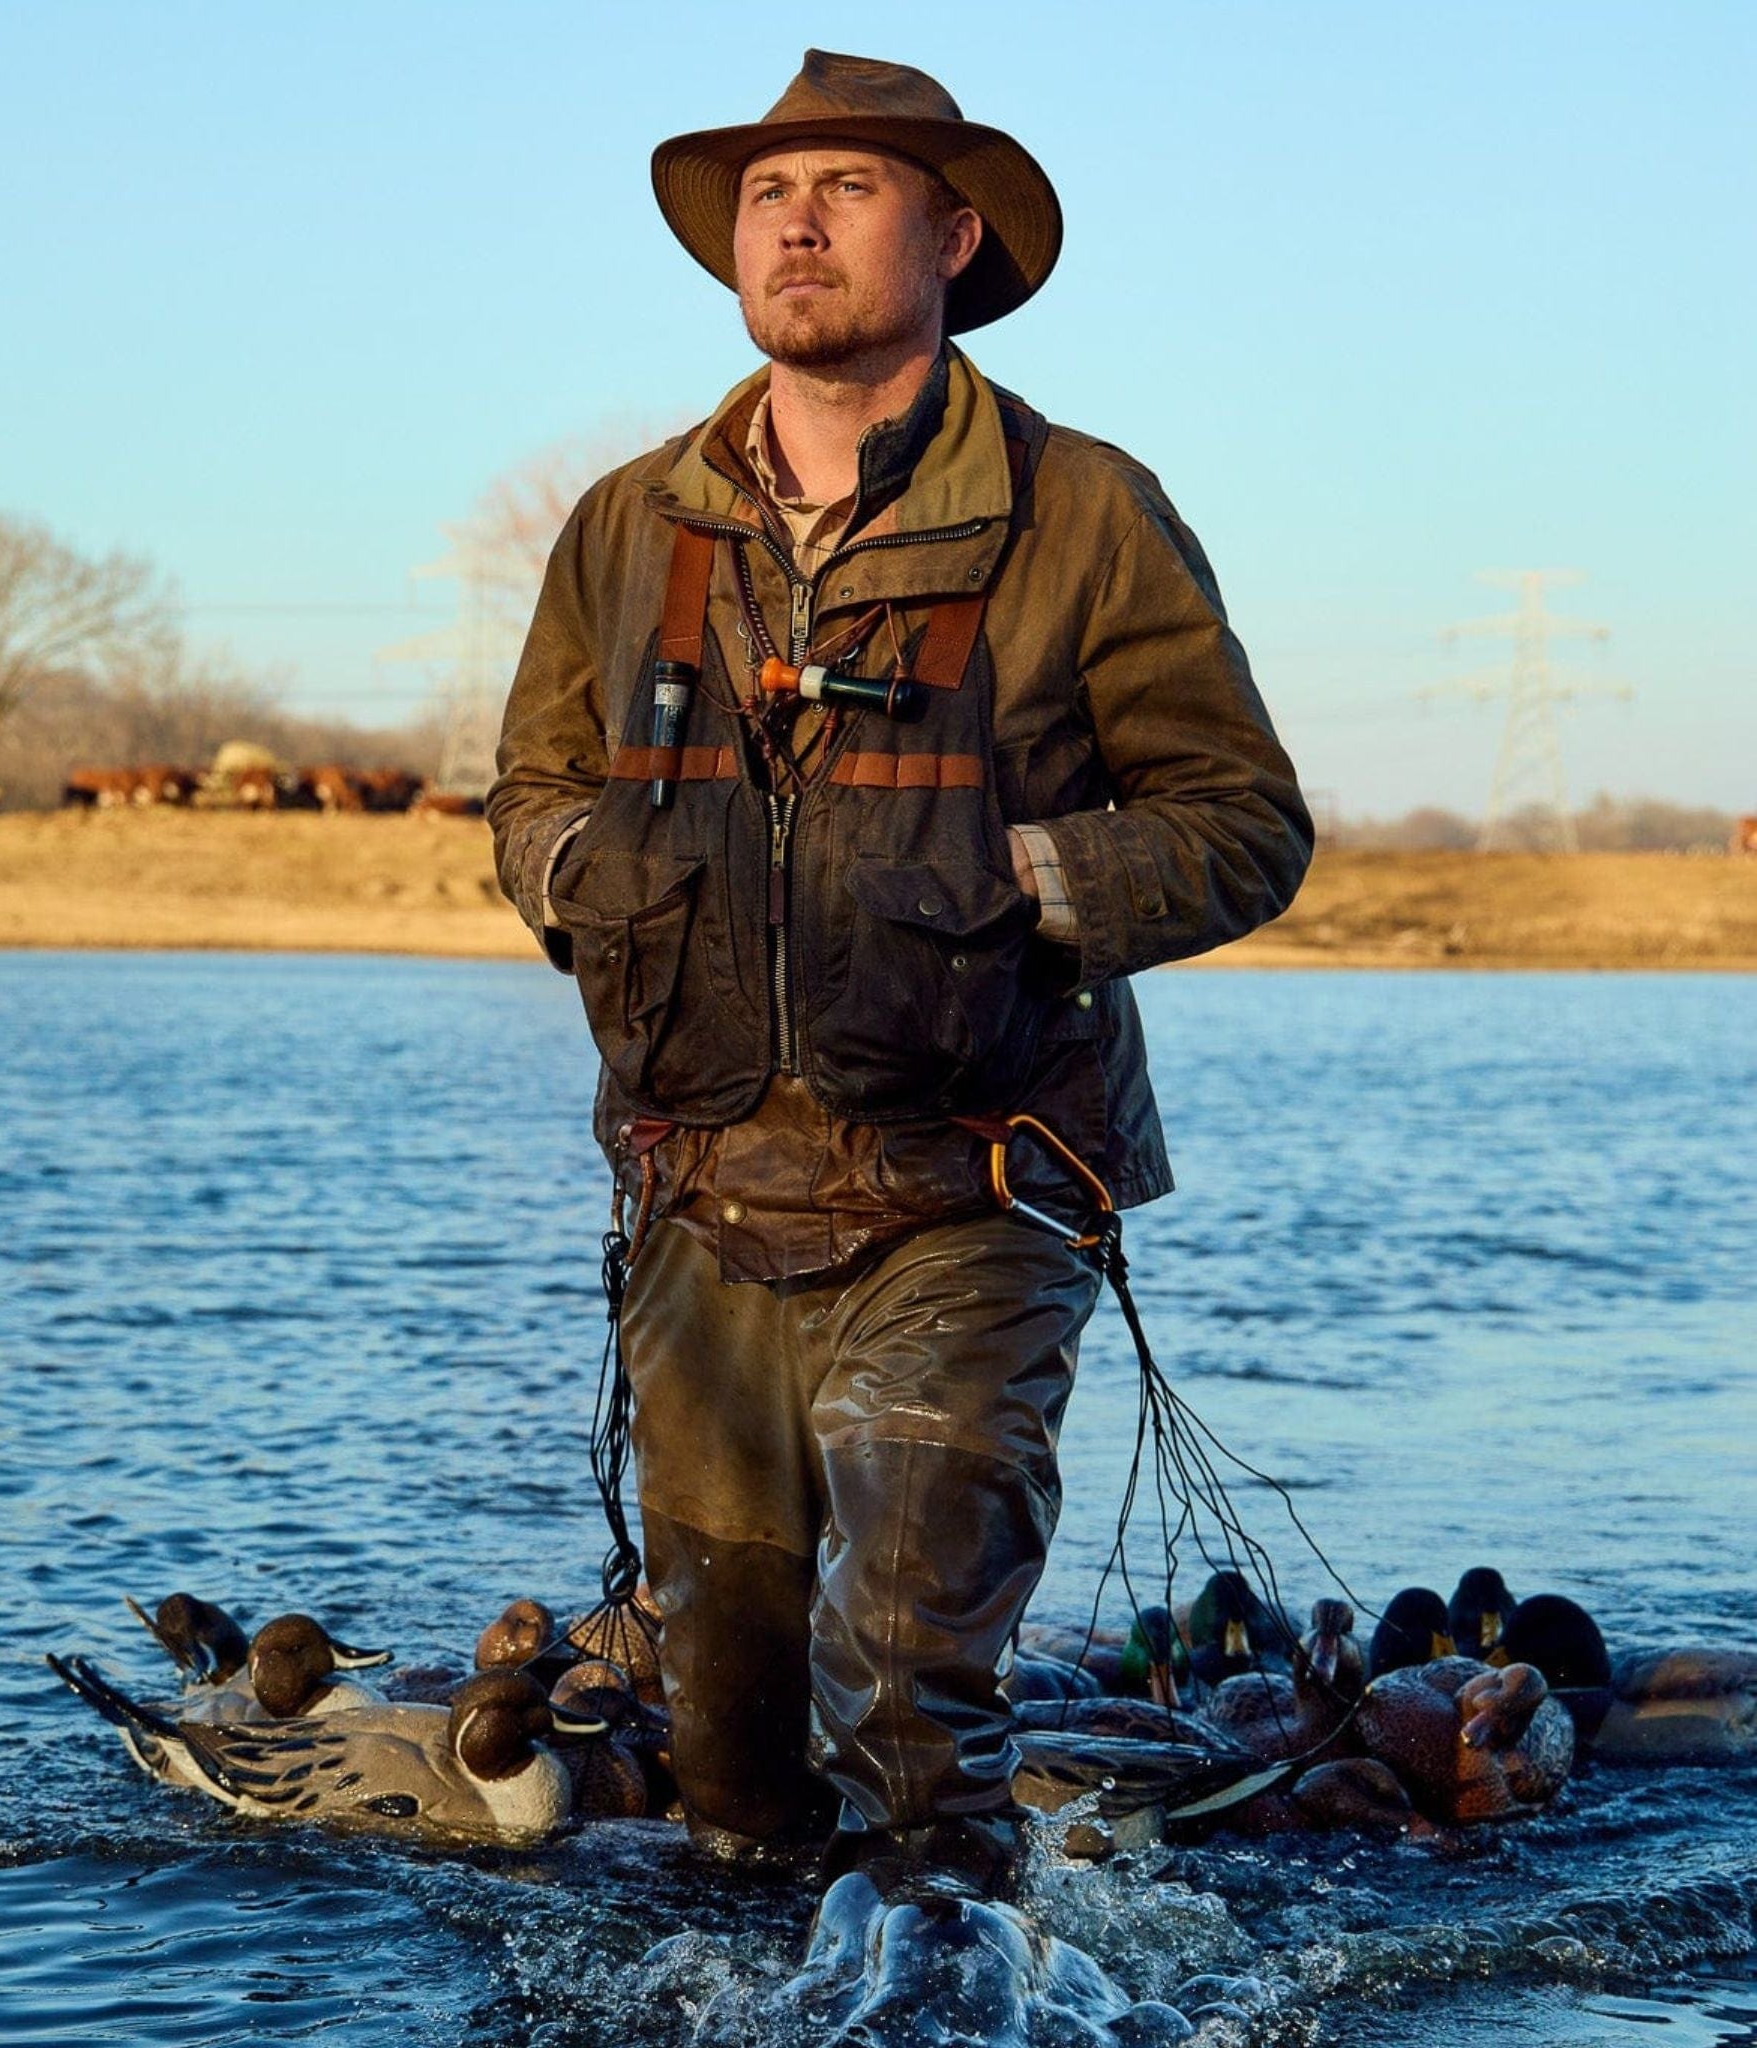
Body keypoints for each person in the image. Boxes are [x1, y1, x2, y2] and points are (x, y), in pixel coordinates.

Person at [488, 50, 1312, 1902]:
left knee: (910, 1681)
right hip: (698, 1196)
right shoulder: (630, 525)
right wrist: (582, 864)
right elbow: (530, 786)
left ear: (953, 236)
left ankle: (955, 1984)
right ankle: (749, 1993)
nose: (793, 220)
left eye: (847, 187)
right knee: (731, 1741)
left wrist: (1023, 873)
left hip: (979, 1187)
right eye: (768, 193)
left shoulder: (1085, 509)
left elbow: (1245, 823)